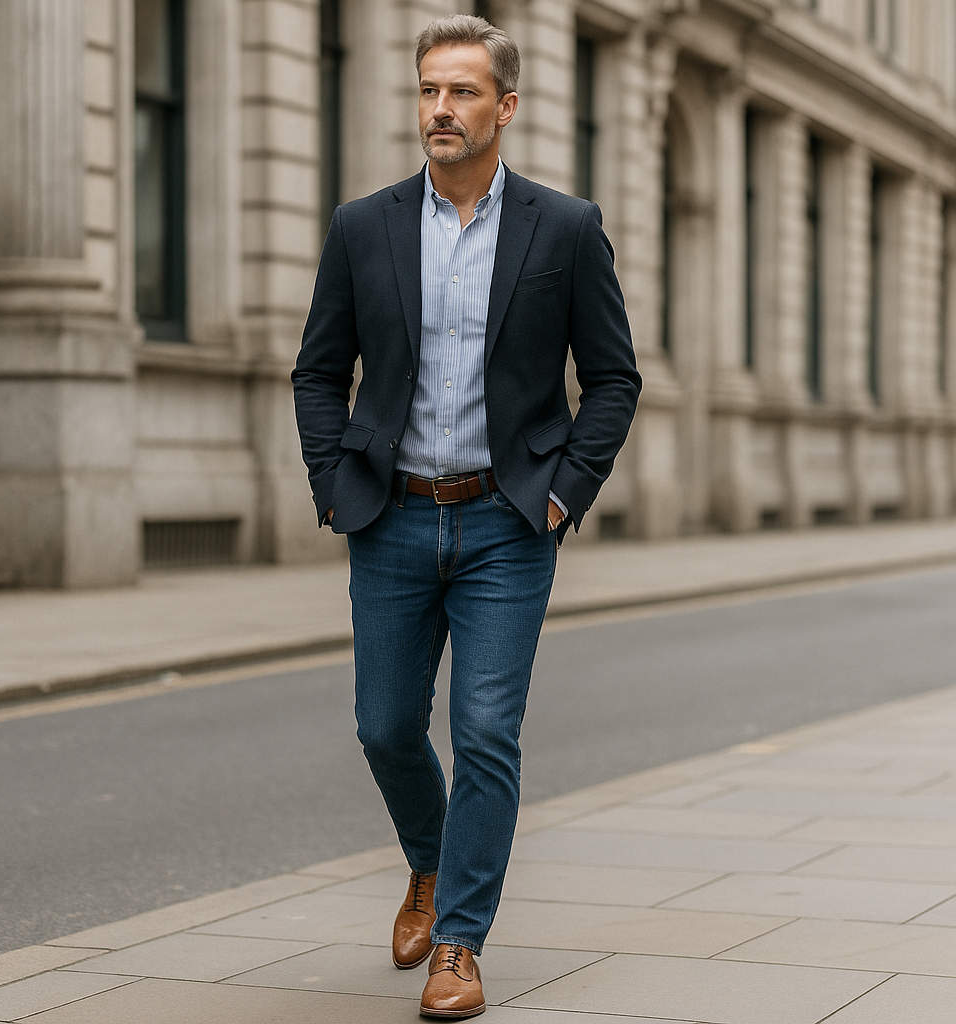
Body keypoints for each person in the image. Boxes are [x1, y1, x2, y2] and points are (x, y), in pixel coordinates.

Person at [292, 13, 640, 1019]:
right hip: (391, 517)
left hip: (505, 522)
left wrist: (564, 487)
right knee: (386, 726)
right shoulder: (363, 225)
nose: (441, 108)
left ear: (506, 107)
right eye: (429, 91)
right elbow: (320, 370)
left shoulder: (564, 228)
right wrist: (332, 479)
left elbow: (612, 378)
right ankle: (428, 863)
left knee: (487, 731)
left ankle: (458, 945)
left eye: (463, 92)